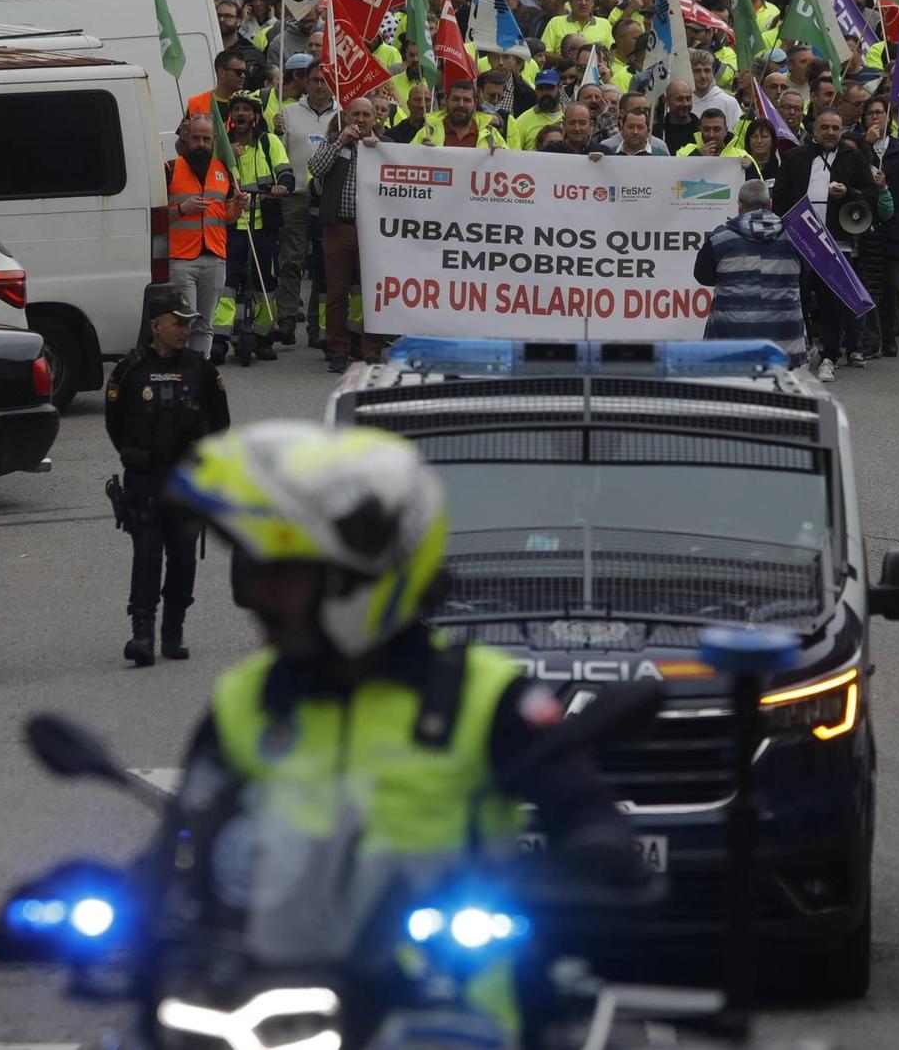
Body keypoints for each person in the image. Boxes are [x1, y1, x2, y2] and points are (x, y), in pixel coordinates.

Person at [153, 422, 640, 1037]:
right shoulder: (249, 699)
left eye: (284, 575)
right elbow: (183, 836)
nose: (257, 598)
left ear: (362, 576)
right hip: (263, 1013)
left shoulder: (482, 697)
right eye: (253, 573)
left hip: (447, 1015)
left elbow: (587, 812)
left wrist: (584, 860)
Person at [104, 285, 231, 666]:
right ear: (156, 325)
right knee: (146, 556)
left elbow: (220, 423)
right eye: (178, 323)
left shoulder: (201, 371)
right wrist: (139, 458)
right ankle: (141, 634)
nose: (185, 330)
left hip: (187, 482)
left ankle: (173, 631)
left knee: (182, 560)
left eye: (188, 323)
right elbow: (116, 425)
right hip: (144, 481)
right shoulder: (130, 372)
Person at [773, 108, 875, 382]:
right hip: (800, 242)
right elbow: (780, 199)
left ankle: (830, 356)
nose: (831, 132)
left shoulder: (853, 157)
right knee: (798, 300)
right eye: (825, 127)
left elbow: (870, 196)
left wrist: (849, 193)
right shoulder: (794, 157)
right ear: (814, 129)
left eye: (835, 128)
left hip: (835, 244)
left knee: (832, 304)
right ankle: (804, 349)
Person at [308, 97, 385, 372]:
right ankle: (337, 349)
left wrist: (377, 148)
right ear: (347, 116)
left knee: (371, 293)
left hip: (373, 233)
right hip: (338, 227)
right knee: (336, 293)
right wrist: (340, 140)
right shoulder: (332, 142)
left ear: (375, 119)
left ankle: (372, 350)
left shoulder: (383, 147)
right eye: (356, 114)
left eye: (367, 115)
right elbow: (316, 169)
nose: (361, 120)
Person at [693, 179, 806, 366]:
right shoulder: (796, 237)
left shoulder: (720, 238)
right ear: (769, 204)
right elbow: (803, 278)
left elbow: (702, 276)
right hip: (785, 340)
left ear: (739, 206)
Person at [218, 96, 293, 363]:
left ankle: (263, 337)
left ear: (255, 116)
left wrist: (281, 185)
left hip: (263, 224)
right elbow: (211, 176)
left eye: (246, 110)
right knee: (227, 281)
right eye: (236, 109)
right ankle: (219, 337)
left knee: (266, 282)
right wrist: (225, 158)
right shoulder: (223, 144)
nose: (240, 114)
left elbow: (285, 171)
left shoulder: (268, 141)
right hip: (232, 223)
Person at [166, 111, 241, 359]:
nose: (201, 145)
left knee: (205, 324)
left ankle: (199, 373)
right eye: (196, 138)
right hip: (181, 259)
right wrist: (181, 209)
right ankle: (180, 372)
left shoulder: (223, 171)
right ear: (186, 137)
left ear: (214, 140)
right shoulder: (170, 169)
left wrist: (238, 207)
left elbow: (226, 217)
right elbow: (153, 217)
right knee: (182, 324)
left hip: (215, 258)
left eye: (206, 139)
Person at [276, 64, 338, 349]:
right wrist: (277, 132)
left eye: (324, 80)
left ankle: (316, 325)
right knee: (291, 259)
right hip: (297, 195)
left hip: (328, 198)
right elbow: (278, 152)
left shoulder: (342, 115)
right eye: (314, 80)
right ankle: (287, 319)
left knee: (322, 264)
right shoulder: (288, 113)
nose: (319, 85)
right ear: (306, 82)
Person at [856, 98, 899, 359]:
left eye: (879, 113)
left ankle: (890, 336)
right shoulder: (857, 146)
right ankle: (872, 339)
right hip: (864, 226)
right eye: (870, 113)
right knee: (868, 283)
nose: (875, 117)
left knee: (892, 284)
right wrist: (866, 145)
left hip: (893, 227)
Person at [416, 79, 508, 148]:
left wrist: (500, 157)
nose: (461, 105)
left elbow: (509, 166)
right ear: (446, 100)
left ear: (475, 103)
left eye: (467, 100)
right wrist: (420, 153)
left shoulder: (491, 135)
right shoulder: (427, 132)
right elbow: (406, 163)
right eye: (455, 99)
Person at [187, 48, 248, 124]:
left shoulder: (249, 104)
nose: (243, 76)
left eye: (245, 72)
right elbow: (185, 135)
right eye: (238, 72)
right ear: (221, 72)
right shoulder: (197, 103)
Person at [509, 70, 565, 149]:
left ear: (560, 88)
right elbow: (513, 152)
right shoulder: (522, 121)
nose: (545, 93)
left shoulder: (570, 117)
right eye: (540, 89)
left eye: (549, 88)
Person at [690, 51, 742, 130]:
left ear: (713, 70)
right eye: (697, 71)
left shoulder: (729, 102)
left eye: (707, 70)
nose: (703, 76)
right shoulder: (684, 102)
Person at [656, 81, 701, 155]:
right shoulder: (656, 132)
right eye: (679, 99)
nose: (685, 104)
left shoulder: (703, 131)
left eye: (688, 99)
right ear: (666, 100)